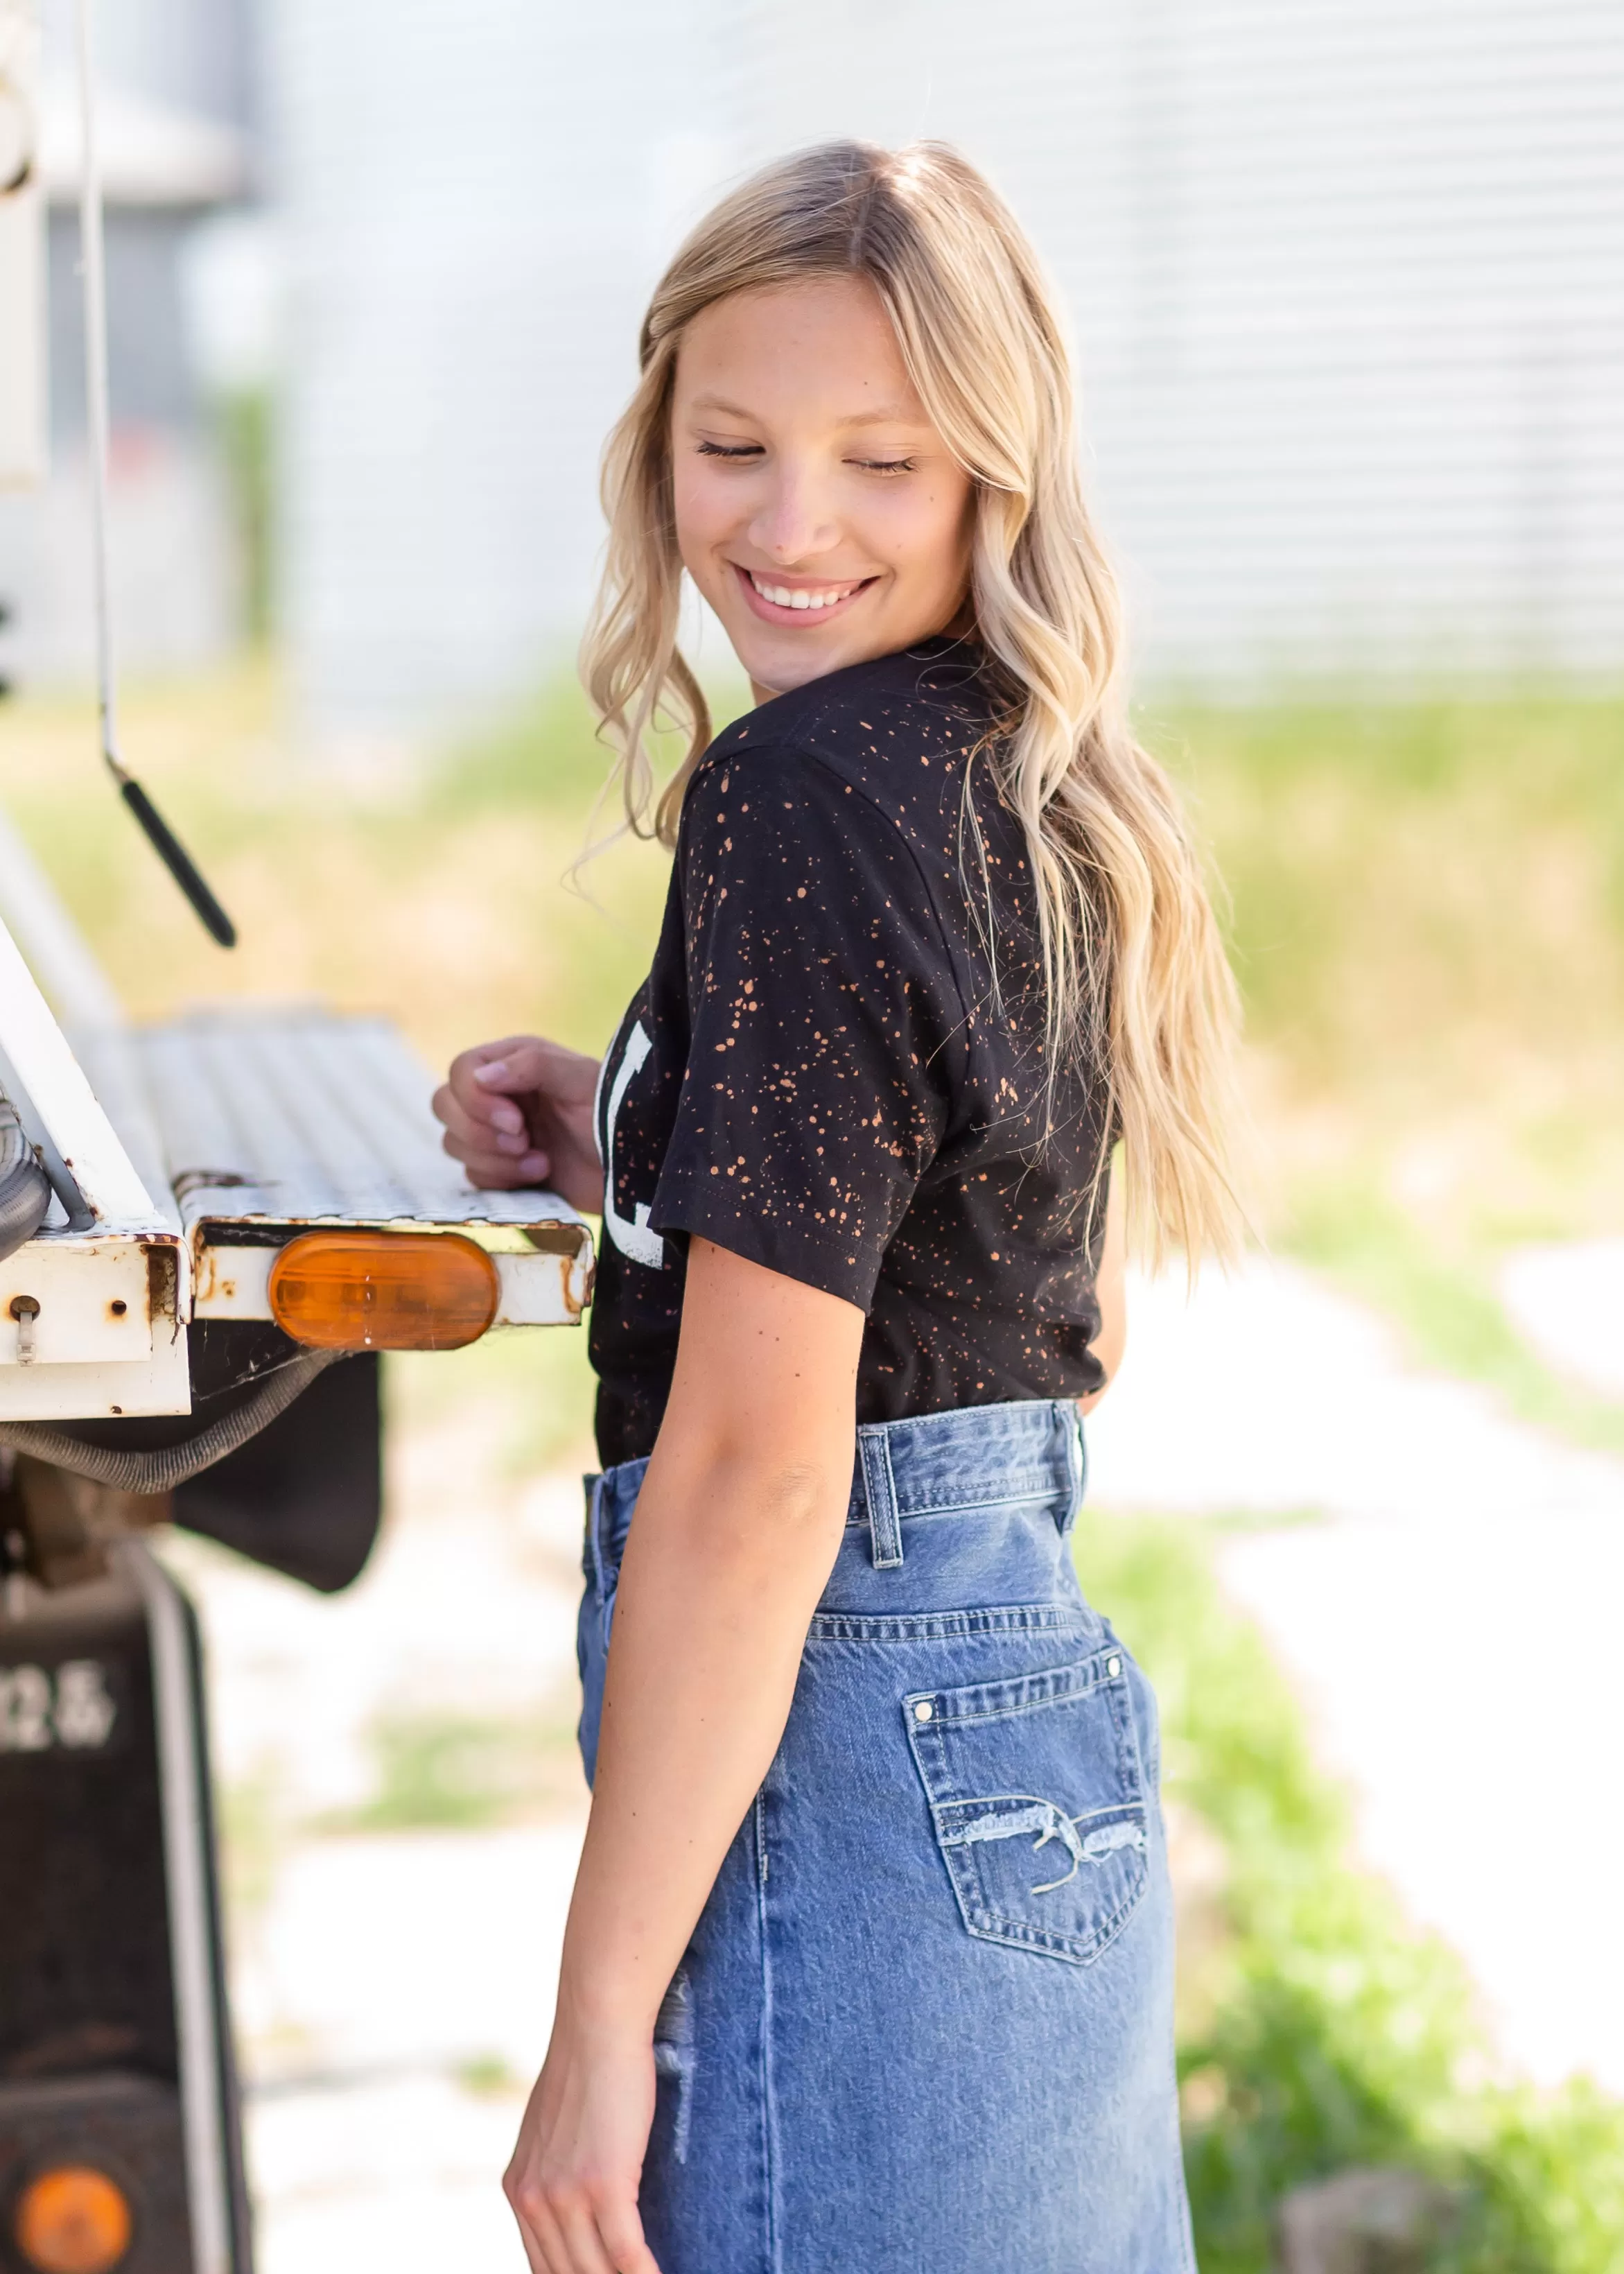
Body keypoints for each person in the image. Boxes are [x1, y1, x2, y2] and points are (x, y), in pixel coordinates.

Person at [433, 139, 1242, 2274]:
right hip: (1019, 1724)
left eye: (881, 461)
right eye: (731, 447)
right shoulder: (1014, 760)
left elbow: (760, 1480)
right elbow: (952, 1282)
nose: (789, 529)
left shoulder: (800, 802)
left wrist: (592, 2029)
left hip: (850, 1739)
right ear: (656, 445)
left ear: (995, 472)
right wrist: (643, 1159)